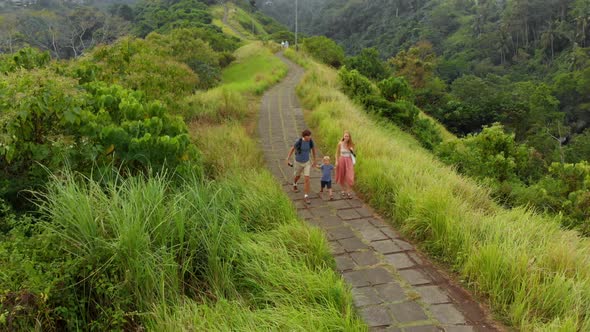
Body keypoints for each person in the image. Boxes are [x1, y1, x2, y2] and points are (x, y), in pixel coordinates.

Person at [286, 129, 317, 204]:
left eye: (310, 136)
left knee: (307, 178)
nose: (310, 137)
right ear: (304, 136)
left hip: (307, 162)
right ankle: (294, 183)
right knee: (297, 176)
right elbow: (292, 149)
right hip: (298, 162)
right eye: (308, 136)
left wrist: (315, 160)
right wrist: (288, 158)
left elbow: (313, 149)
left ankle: (306, 196)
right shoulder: (298, 142)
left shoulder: (310, 141)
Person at [335, 130, 355, 199]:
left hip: (349, 161)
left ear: (349, 137)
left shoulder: (351, 144)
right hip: (342, 160)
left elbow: (353, 155)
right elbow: (337, 153)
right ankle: (343, 190)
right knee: (342, 175)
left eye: (348, 136)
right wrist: (336, 161)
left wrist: (353, 162)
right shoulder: (340, 143)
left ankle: (349, 192)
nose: (346, 137)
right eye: (345, 136)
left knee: (350, 176)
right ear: (343, 136)